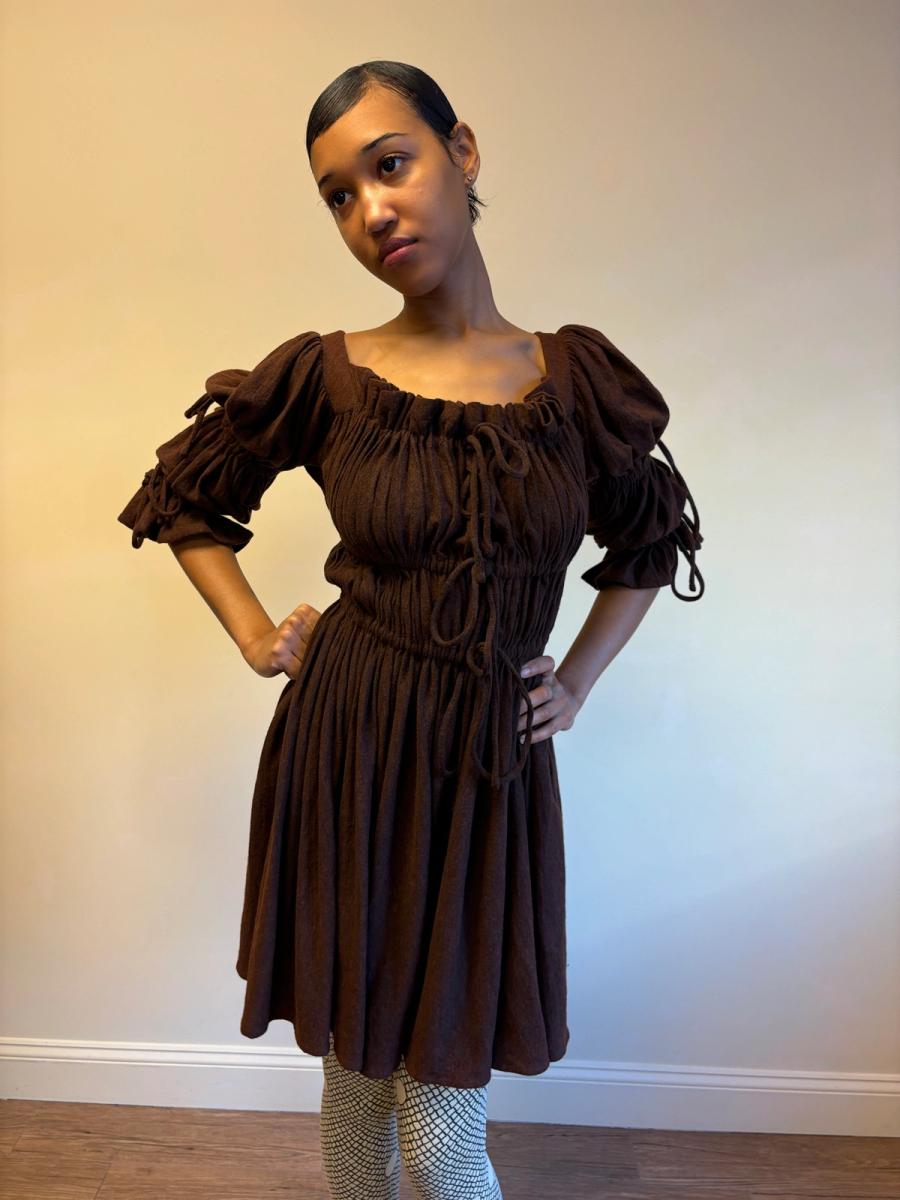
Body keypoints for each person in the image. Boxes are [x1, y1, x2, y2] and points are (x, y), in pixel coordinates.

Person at [117, 59, 705, 1200]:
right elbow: (184, 499)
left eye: (391, 165)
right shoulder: (328, 376)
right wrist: (253, 634)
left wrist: (577, 682)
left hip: (486, 774)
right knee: (355, 1078)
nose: (371, 210)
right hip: (350, 749)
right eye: (338, 195)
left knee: (440, 1137)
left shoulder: (574, 382)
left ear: (461, 152)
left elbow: (648, 543)